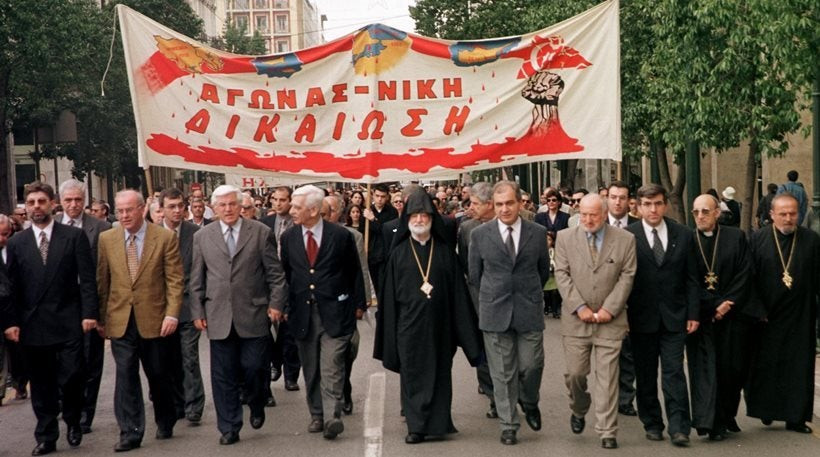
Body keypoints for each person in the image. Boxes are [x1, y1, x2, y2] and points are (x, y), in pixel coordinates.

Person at [2, 181, 98, 456]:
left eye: (41, 202)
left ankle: (72, 419)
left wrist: (89, 313)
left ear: (52, 204)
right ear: (25, 206)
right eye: (31, 203)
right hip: (33, 324)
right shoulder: (18, 242)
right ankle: (46, 435)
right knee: (42, 384)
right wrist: (11, 322)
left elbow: (87, 279)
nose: (36, 207)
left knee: (71, 377)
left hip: (68, 320)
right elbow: (10, 287)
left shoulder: (72, 237)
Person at [379, 191, 482, 444]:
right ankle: (416, 427)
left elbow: (459, 295)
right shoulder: (398, 254)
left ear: (432, 218)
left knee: (440, 375)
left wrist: (468, 335)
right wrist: (388, 336)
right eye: (415, 215)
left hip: (441, 327)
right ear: (407, 219)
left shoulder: (446, 253)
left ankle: (438, 422)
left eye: (425, 214)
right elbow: (389, 300)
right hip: (408, 328)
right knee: (413, 375)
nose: (420, 219)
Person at [189, 185, 287, 445]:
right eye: (222, 205)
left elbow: (275, 275)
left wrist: (276, 304)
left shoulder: (260, 233)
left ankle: (256, 402)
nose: (229, 209)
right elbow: (197, 277)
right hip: (218, 315)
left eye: (233, 204)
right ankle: (229, 426)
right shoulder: (203, 236)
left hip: (253, 313)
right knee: (223, 376)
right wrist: (197, 309)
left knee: (255, 368)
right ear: (214, 208)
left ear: (241, 205)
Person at [97, 189, 183, 452]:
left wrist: (172, 313)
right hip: (120, 319)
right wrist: (101, 318)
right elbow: (103, 281)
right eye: (119, 211)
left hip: (155, 319)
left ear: (141, 209)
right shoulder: (107, 239)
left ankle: (165, 417)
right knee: (125, 375)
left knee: (158, 373)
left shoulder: (164, 237)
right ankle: (130, 431)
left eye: (129, 210)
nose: (124, 215)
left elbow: (175, 280)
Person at [280, 185, 365, 440]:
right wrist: (284, 307)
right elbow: (286, 275)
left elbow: (354, 272)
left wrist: (358, 305)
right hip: (303, 313)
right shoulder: (289, 238)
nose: (291, 211)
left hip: (335, 312)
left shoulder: (340, 236)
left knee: (332, 365)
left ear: (314, 210)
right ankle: (317, 414)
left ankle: (332, 416)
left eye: (297, 207)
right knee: (312, 367)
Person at [468, 181, 550, 445]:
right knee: (502, 372)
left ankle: (530, 401)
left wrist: (528, 293)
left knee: (531, 365)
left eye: (510, 203)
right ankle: (509, 424)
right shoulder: (479, 235)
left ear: (519, 203)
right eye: (500, 204)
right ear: (494, 205)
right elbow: (476, 276)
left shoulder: (537, 233)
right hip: (495, 310)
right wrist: (492, 298)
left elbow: (543, 271)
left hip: (528, 309)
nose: (505, 209)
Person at [554, 194, 636, 450]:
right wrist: (579, 307)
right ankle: (579, 409)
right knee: (576, 375)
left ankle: (607, 430)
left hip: (610, 321)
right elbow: (562, 274)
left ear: (604, 214)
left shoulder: (625, 240)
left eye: (594, 215)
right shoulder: (565, 238)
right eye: (585, 214)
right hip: (576, 321)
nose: (589, 219)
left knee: (608, 377)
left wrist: (609, 309)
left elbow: (627, 275)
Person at [624, 184, 699, 447]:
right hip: (640, 318)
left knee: (674, 372)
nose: (653, 209)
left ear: (665, 204)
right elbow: (622, 280)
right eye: (647, 204)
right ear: (638, 206)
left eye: (657, 203)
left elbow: (692, 278)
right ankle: (652, 422)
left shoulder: (684, 234)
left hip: (675, 317)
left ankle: (679, 427)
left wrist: (693, 313)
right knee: (645, 374)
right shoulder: (627, 236)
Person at [746, 193, 818, 433]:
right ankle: (767, 410)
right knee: (767, 366)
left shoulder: (811, 240)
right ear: (772, 215)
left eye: (793, 213)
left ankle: (796, 418)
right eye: (783, 214)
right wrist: (757, 309)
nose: (788, 218)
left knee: (799, 367)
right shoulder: (758, 240)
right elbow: (749, 279)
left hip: (800, 314)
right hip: (767, 316)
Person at [686, 194, 753, 441]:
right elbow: (688, 279)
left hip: (733, 315)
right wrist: (714, 304)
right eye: (696, 212)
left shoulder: (736, 237)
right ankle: (710, 423)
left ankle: (726, 416)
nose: (700, 216)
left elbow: (746, 272)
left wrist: (728, 304)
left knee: (731, 369)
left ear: (717, 213)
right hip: (702, 316)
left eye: (705, 211)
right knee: (705, 371)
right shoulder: (687, 240)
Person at [56, 179, 112, 434]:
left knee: (91, 361)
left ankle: (85, 415)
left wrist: (101, 312)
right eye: (68, 200)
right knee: (64, 360)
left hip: (89, 302)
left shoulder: (100, 228)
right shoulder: (52, 226)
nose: (73, 205)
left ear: (85, 201)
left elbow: (105, 272)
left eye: (78, 200)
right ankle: (67, 407)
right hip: (59, 306)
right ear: (60, 202)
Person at [159, 188, 205, 426]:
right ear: (162, 209)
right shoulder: (153, 235)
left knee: (189, 357)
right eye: (171, 206)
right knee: (168, 359)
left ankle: (194, 405)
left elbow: (200, 273)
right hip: (162, 309)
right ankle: (176, 403)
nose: (177, 211)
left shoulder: (196, 234)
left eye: (180, 206)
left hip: (188, 306)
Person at [322, 195, 371, 415]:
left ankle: (345, 387)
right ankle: (332, 398)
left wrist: (363, 301)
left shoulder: (352, 236)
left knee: (347, 350)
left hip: (345, 304)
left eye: (330, 211)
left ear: (339, 213)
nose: (324, 215)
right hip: (319, 306)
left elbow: (360, 270)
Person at [456, 182, 498, 418]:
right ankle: (494, 397)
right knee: (482, 348)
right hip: (477, 298)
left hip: (504, 299)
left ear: (488, 204)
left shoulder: (510, 225)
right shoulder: (467, 229)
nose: (470, 208)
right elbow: (465, 264)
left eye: (474, 203)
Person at [260, 186, 302, 392]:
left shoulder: (298, 224)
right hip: (268, 284)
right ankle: (274, 363)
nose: (278, 203)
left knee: (289, 332)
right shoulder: (265, 224)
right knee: (268, 331)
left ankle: (291, 375)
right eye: (275, 199)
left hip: (292, 282)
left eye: (283, 200)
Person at [605, 181, 640, 417]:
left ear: (630, 201)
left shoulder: (638, 228)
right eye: (613, 197)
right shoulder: (596, 224)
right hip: (603, 299)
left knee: (628, 354)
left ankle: (626, 398)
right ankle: (607, 397)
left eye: (622, 197)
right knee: (607, 354)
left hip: (633, 300)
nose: (618, 202)